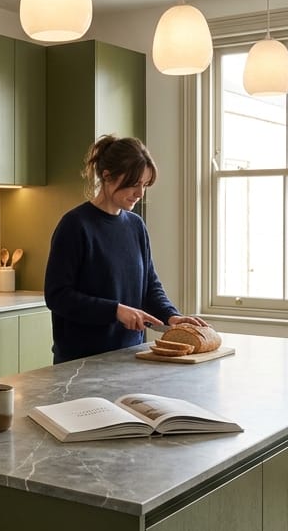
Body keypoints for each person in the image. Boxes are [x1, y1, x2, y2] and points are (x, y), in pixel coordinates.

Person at [44, 134, 207, 364]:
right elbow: (57, 296)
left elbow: (149, 286)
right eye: (134, 184)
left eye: (145, 185)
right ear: (107, 176)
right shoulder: (75, 225)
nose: (140, 194)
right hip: (80, 362)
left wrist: (171, 316)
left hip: (132, 355)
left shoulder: (136, 225)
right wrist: (115, 310)